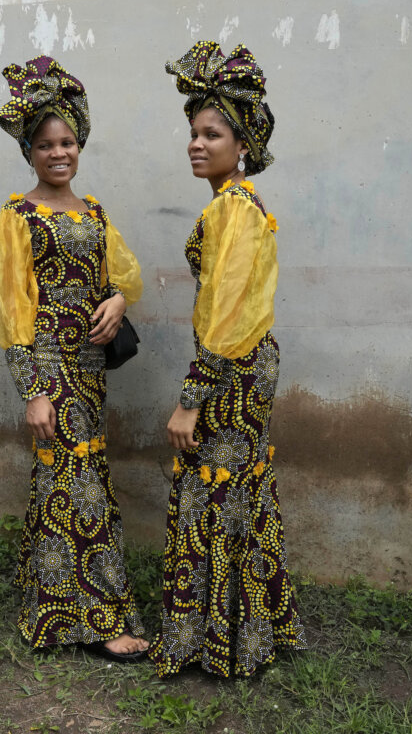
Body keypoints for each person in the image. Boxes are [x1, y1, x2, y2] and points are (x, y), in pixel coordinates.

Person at [150, 41, 306, 677]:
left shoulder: (234, 209)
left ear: (242, 145)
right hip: (242, 365)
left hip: (231, 371)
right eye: (193, 132)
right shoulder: (233, 206)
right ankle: (245, 635)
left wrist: (190, 401)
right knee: (235, 496)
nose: (197, 143)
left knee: (216, 496)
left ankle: (218, 642)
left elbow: (225, 315)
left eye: (212, 133)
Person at [0, 55, 149, 661]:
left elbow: (122, 273)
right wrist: (31, 389)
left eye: (69, 142)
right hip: (51, 366)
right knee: (75, 482)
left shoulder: (95, 213)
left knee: (67, 481)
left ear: (80, 145)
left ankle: (51, 606)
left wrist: (115, 297)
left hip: (90, 369)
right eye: (46, 145)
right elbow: (13, 312)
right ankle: (102, 621)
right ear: (29, 152)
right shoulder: (18, 216)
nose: (59, 154)